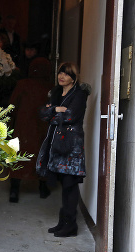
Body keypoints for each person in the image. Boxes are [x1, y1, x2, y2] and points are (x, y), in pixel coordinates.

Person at [36, 62, 89, 237]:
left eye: (66, 74)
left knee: (70, 185)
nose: (62, 76)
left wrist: (53, 113)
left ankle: (70, 224)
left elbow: (71, 116)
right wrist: (56, 109)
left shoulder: (79, 94)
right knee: (63, 185)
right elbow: (43, 113)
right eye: (60, 72)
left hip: (71, 146)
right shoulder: (56, 93)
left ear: (73, 78)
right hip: (56, 144)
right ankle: (63, 221)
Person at [8, 57, 54, 203]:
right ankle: (43, 187)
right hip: (42, 126)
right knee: (42, 154)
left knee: (19, 155)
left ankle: (14, 190)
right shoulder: (50, 87)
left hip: (23, 126)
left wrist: (11, 124)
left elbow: (12, 105)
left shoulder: (22, 85)